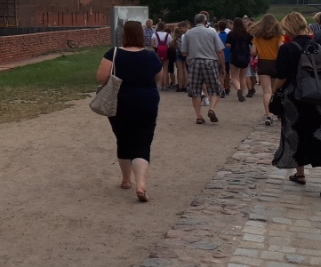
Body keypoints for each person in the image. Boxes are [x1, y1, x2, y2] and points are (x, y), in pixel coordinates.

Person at [271, 11, 321, 198]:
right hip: (318, 95)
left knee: (295, 133)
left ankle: (300, 173)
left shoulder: (287, 48)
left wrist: (275, 92)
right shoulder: (315, 45)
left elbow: (282, 76)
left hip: (295, 97)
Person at [95, 20, 164, 201]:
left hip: (120, 101)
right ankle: (141, 184)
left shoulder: (114, 54)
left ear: (123, 35)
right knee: (142, 142)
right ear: (142, 35)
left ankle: (126, 180)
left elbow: (101, 78)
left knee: (123, 138)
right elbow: (159, 77)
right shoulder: (151, 56)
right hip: (146, 101)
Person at [179, 13, 225, 124]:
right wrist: (222, 66)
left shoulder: (188, 33)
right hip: (210, 62)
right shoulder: (212, 32)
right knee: (215, 88)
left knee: (195, 91)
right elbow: (219, 50)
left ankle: (199, 115)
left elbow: (184, 52)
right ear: (205, 21)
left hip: (194, 62)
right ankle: (211, 109)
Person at [250, 13, 283, 125]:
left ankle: (268, 115)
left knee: (266, 91)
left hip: (263, 63)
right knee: (275, 90)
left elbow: (253, 52)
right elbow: (281, 48)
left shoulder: (257, 36)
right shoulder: (279, 35)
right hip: (276, 63)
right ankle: (277, 111)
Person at [224, 17, 254, 102]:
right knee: (243, 77)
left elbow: (227, 44)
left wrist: (230, 45)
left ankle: (238, 89)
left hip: (234, 56)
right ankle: (243, 93)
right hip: (245, 56)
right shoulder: (247, 33)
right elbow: (253, 42)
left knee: (234, 77)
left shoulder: (231, 34)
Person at [154, 21, 172, 90]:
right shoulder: (168, 35)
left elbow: (152, 45)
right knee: (166, 69)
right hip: (166, 52)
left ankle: (160, 85)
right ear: (164, 27)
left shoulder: (154, 34)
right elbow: (170, 44)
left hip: (158, 52)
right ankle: (165, 85)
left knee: (159, 69)